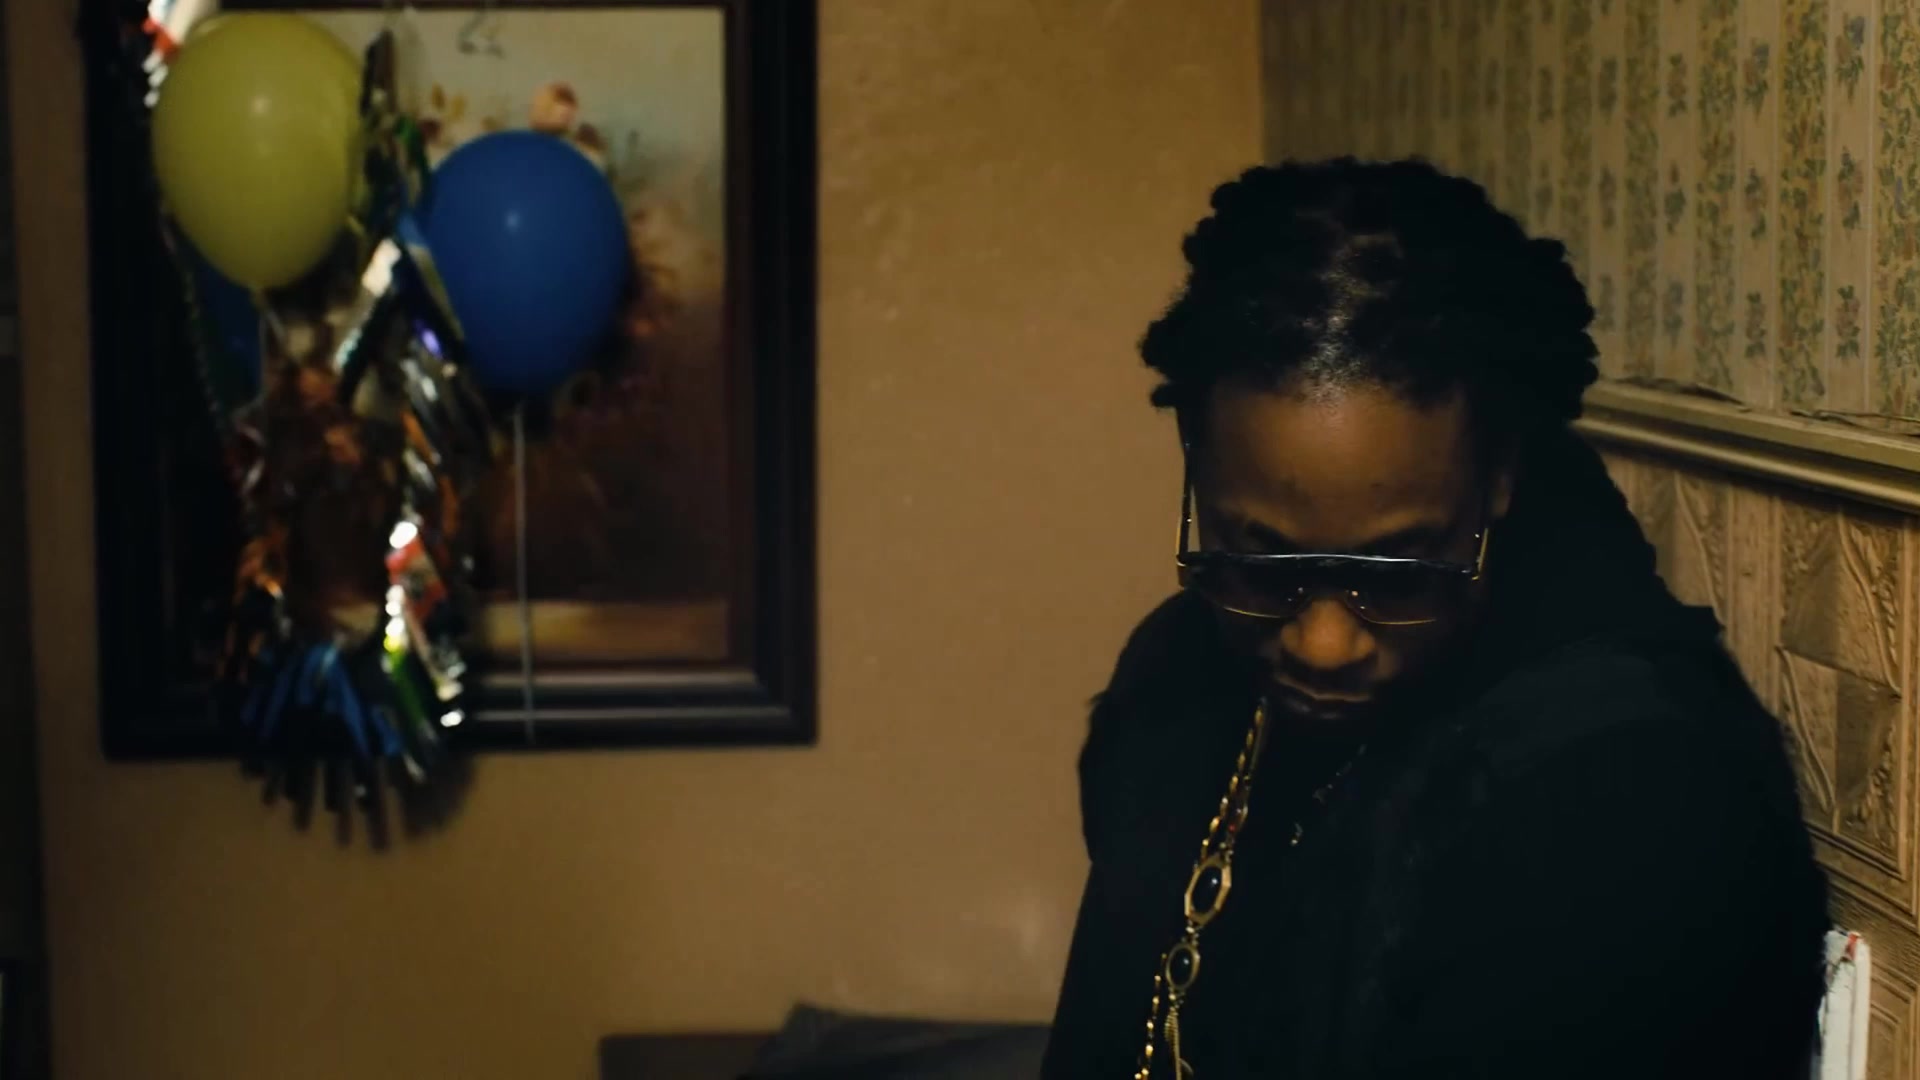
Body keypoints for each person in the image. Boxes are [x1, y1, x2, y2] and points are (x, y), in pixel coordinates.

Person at [1042, 159, 1829, 1079]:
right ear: (1195, 471)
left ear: (1498, 478)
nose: (1323, 644)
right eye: (1266, 565)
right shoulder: (1175, 668)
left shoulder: (1628, 788)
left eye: (1399, 575)